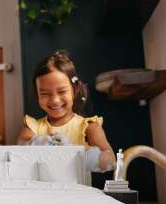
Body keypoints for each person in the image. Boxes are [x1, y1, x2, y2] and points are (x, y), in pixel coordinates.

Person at [18, 50, 115, 180]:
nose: (55, 100)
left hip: (77, 198)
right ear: (37, 95)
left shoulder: (89, 128)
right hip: (42, 198)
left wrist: (79, 156)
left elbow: (111, 161)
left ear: (74, 90)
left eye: (62, 91)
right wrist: (38, 144)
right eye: (45, 94)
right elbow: (20, 148)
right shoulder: (32, 128)